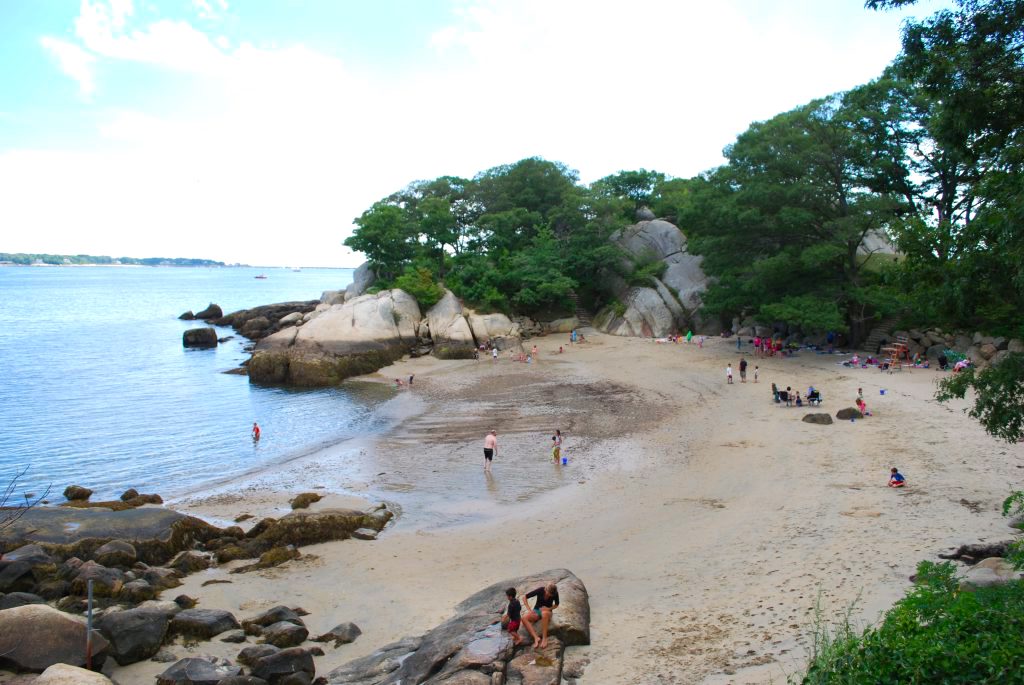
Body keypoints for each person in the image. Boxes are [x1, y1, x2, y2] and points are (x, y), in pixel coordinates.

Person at [522, 582, 560, 649]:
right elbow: (524, 597)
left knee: (544, 614)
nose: (550, 596)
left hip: (547, 612)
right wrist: (529, 610)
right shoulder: (540, 590)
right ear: (546, 589)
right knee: (524, 618)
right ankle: (536, 637)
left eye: (551, 595)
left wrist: (548, 608)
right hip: (537, 611)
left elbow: (556, 604)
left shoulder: (555, 593)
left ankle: (544, 638)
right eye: (549, 594)